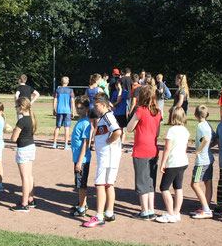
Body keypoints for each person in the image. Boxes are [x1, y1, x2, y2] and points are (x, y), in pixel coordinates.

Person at [83, 93, 122, 228]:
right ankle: (109, 213)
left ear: (104, 105)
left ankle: (99, 216)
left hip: (108, 158)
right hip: (107, 157)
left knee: (100, 185)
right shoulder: (105, 117)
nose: (95, 107)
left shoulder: (108, 117)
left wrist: (108, 142)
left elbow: (117, 132)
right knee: (108, 185)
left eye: (97, 105)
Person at [127, 85, 161, 220]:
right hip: (153, 148)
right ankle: (151, 209)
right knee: (150, 181)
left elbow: (129, 128)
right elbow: (157, 133)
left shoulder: (140, 110)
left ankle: (144, 211)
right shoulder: (158, 112)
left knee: (141, 180)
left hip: (141, 148)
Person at [156, 107, 189, 223]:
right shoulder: (185, 130)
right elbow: (185, 147)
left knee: (164, 188)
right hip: (183, 161)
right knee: (178, 187)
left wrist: (163, 162)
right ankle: (176, 212)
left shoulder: (172, 130)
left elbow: (167, 148)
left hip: (173, 162)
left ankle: (170, 213)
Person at [10, 97, 37, 212]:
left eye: (16, 106)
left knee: (25, 178)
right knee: (29, 176)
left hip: (23, 149)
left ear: (21, 107)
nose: (16, 108)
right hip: (31, 147)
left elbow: (13, 138)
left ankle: (24, 203)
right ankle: (31, 199)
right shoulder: (31, 118)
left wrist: (10, 130)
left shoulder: (22, 120)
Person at [190, 105, 215, 219]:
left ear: (195, 115)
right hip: (209, 159)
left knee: (195, 184)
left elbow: (205, 139)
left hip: (202, 161)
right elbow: (213, 138)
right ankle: (206, 206)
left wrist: (199, 150)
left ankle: (206, 209)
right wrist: (209, 147)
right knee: (208, 183)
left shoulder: (200, 126)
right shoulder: (208, 125)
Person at [69, 96, 91, 217]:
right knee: (79, 184)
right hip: (78, 158)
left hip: (82, 159)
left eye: (82, 108)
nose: (79, 110)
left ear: (87, 108)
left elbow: (85, 143)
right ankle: (83, 203)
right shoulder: (80, 121)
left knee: (81, 185)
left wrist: (79, 161)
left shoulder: (86, 123)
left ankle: (82, 208)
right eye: (77, 108)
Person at [52, 76, 75, 149]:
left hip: (59, 110)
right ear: (68, 82)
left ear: (61, 82)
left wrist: (53, 109)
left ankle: (54, 144)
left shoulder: (58, 90)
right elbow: (72, 101)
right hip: (67, 111)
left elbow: (55, 100)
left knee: (57, 127)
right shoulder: (70, 90)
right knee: (67, 128)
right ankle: (66, 145)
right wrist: (73, 111)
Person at [85, 73, 103, 150]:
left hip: (90, 109)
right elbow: (104, 98)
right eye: (100, 80)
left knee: (91, 127)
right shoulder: (99, 89)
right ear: (96, 80)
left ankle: (88, 144)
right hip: (96, 109)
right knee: (96, 127)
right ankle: (94, 144)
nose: (101, 81)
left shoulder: (88, 89)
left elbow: (85, 99)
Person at [111, 79, 128, 144]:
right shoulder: (114, 92)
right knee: (115, 129)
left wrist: (120, 90)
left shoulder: (125, 92)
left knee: (122, 129)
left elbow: (119, 99)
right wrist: (114, 104)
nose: (117, 87)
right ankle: (116, 142)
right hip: (115, 113)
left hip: (122, 113)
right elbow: (112, 103)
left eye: (118, 85)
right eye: (116, 85)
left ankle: (122, 143)